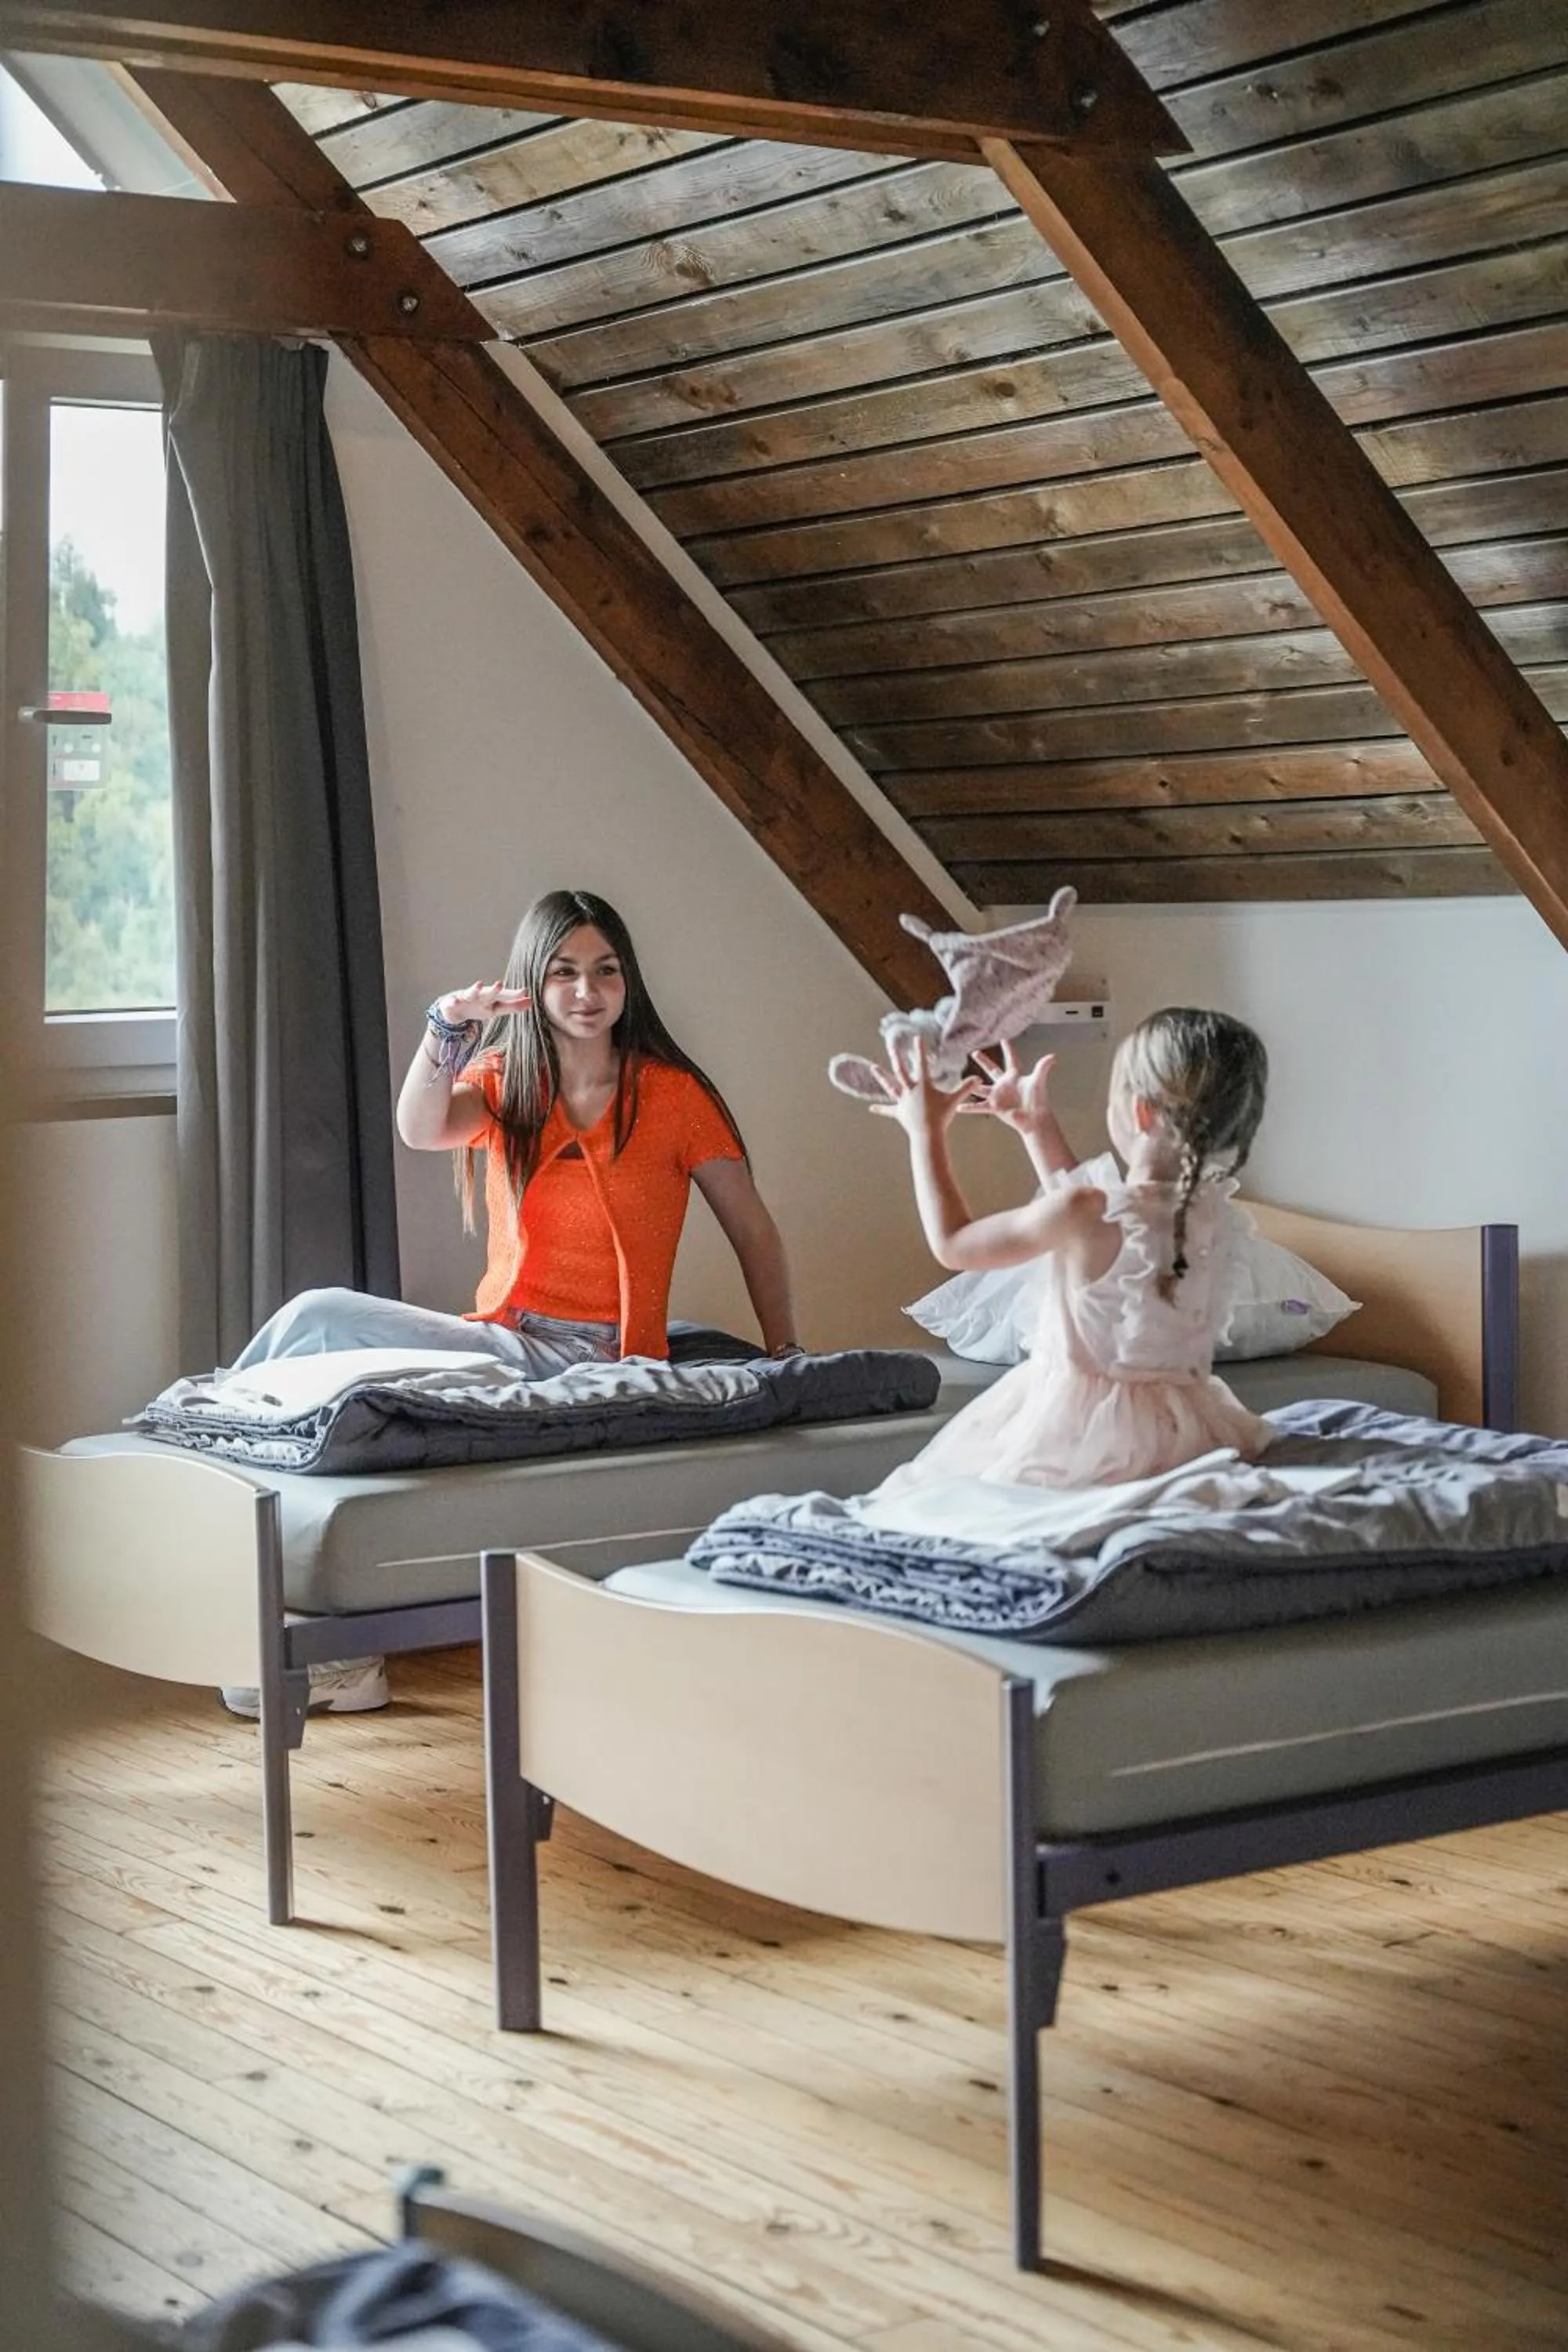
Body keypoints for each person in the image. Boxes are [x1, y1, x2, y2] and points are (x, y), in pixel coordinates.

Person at [222, 889, 800, 1716]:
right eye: (563, 972)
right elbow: (420, 1127)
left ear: (626, 981)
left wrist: (784, 1354)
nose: (586, 991)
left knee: (377, 1411)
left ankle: (340, 1660)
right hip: (502, 1340)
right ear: (533, 981)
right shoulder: (506, 1079)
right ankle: (209, 1447)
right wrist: (444, 1028)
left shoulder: (671, 1097)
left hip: (602, 1357)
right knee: (316, 1316)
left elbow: (752, 1228)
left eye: (604, 971)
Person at [870, 1007, 1271, 1494]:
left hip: (1080, 1438)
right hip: (1185, 1434)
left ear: (1140, 1112)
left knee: (938, 1496)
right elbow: (1099, 1227)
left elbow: (954, 1245)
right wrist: (1037, 1127)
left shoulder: (1088, 1211)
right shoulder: (1215, 1213)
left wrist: (924, 1132)